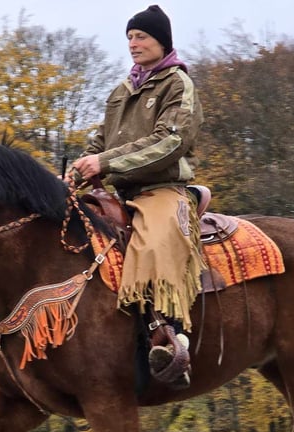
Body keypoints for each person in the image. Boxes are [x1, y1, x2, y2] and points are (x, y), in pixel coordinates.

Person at [65, 4, 205, 389]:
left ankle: (171, 337)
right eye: (129, 38)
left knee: (156, 241)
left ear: (162, 41)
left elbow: (172, 140)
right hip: (118, 192)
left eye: (141, 36)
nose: (133, 44)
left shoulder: (177, 84)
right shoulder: (121, 90)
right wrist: (75, 173)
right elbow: (99, 139)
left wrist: (105, 161)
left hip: (162, 189)